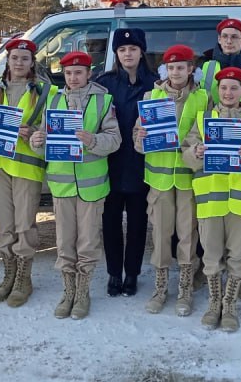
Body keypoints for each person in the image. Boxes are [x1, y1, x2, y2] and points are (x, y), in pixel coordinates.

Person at [182, 67, 241, 332]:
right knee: (211, 254)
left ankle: (230, 303)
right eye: (223, 87)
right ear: (217, 91)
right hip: (210, 199)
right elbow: (186, 154)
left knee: (239, 254)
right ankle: (214, 303)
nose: (228, 92)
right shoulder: (204, 120)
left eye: (234, 88)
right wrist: (196, 151)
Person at [30, 51, 121, 320]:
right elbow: (45, 139)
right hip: (62, 184)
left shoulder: (104, 100)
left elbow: (115, 140)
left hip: (91, 185)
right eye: (68, 73)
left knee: (88, 242)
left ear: (88, 73)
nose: (73, 78)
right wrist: (38, 142)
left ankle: (83, 292)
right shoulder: (55, 99)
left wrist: (92, 140)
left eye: (78, 72)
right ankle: (68, 291)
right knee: (64, 241)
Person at [0, 39, 56, 308]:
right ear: (7, 61)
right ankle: (8, 275)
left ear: (32, 62)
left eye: (24, 58)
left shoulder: (47, 91)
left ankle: (24, 278)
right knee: (4, 224)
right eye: (14, 58)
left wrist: (33, 132)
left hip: (26, 165)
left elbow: (51, 129)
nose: (19, 63)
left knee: (24, 224)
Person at [134, 44, 208, 316]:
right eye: (172, 67)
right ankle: (160, 288)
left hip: (189, 178)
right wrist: (140, 139)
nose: (177, 72)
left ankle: (186, 289)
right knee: (162, 234)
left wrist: (190, 146)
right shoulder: (151, 95)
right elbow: (137, 138)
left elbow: (206, 133)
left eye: (182, 67)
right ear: (165, 70)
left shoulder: (204, 98)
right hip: (160, 179)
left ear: (191, 69)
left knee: (188, 235)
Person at [198, 17, 241, 301]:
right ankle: (214, 274)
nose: (229, 40)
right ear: (219, 39)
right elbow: (202, 101)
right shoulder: (207, 67)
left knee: (239, 220)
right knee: (212, 219)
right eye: (225, 36)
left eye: (235, 36)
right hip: (213, 153)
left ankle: (238, 280)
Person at [95, 29, 159, 297]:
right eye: (122, 50)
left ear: (141, 51)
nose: (128, 54)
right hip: (110, 163)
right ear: (116, 54)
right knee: (109, 222)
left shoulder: (155, 83)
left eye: (133, 48)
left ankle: (131, 273)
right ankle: (113, 273)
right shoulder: (104, 83)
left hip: (142, 162)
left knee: (137, 223)